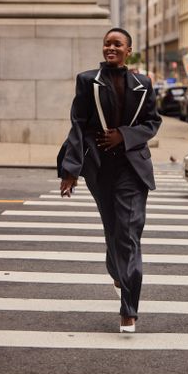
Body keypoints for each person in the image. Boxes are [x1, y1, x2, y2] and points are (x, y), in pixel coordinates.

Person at [57, 28, 161, 333]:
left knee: (129, 234)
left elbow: (153, 122)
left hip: (133, 170)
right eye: (107, 43)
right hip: (101, 170)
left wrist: (124, 136)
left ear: (129, 50)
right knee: (113, 230)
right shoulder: (88, 81)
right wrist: (70, 169)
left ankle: (129, 309)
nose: (110, 47)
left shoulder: (143, 83)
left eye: (117, 44)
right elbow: (78, 125)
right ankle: (117, 270)